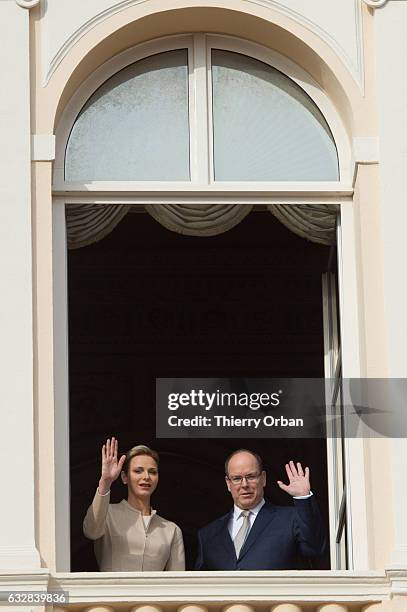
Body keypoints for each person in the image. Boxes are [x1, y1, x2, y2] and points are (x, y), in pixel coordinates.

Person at [195, 449, 326, 570]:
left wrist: (303, 497)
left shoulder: (289, 519)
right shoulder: (208, 535)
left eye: (251, 477)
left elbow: (314, 548)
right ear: (228, 483)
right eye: (237, 479)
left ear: (263, 479)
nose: (244, 484)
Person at [83, 437, 185, 571]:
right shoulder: (108, 514)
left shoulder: (171, 530)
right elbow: (91, 531)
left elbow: (177, 584)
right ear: (125, 477)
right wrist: (105, 483)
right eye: (138, 471)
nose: (146, 476)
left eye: (152, 472)